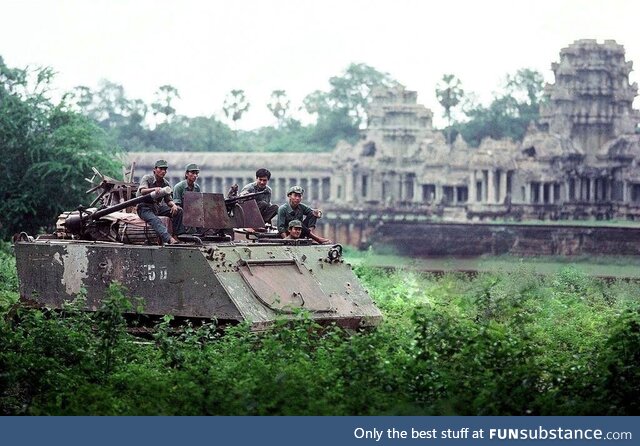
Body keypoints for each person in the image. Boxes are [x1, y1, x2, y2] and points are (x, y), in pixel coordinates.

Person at [136, 159, 183, 245]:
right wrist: (154, 189)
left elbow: (168, 200)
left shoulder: (165, 184)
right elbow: (142, 191)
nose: (163, 171)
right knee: (155, 220)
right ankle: (169, 239)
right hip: (144, 207)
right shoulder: (147, 178)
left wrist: (173, 205)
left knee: (179, 210)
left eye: (165, 169)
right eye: (160, 169)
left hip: (156, 207)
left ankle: (177, 235)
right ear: (154, 170)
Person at [172, 163, 201, 234]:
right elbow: (176, 205)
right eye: (192, 173)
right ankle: (180, 234)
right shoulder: (179, 187)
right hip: (181, 213)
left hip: (193, 212)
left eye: (196, 173)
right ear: (186, 174)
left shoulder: (197, 187)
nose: (195, 175)